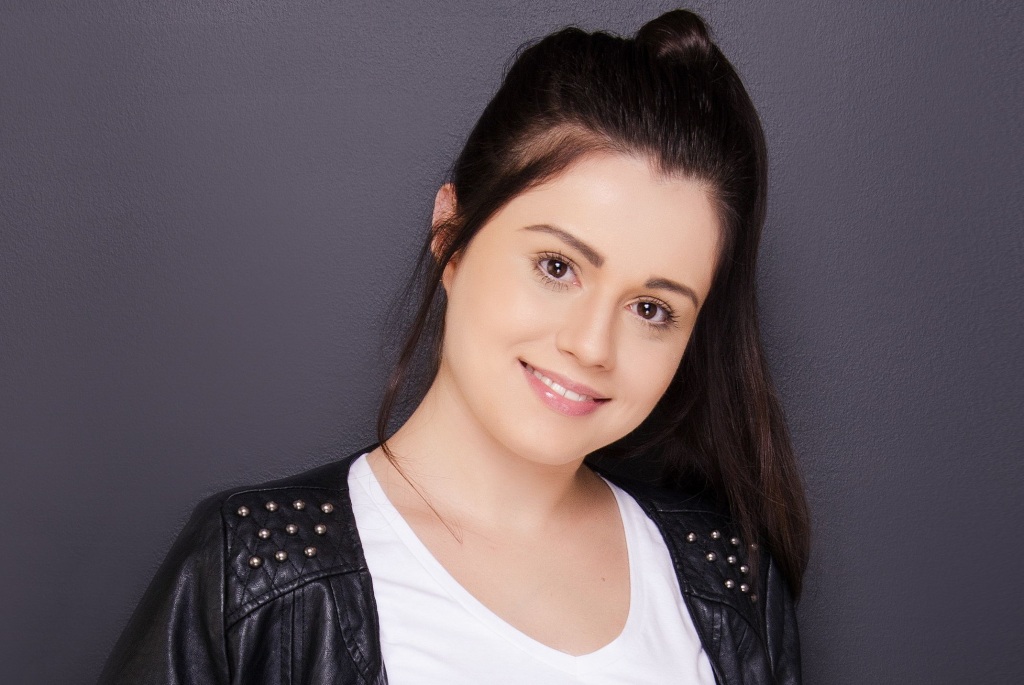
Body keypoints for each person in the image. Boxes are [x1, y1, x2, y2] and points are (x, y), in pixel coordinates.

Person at [101, 8, 809, 684]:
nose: (592, 344)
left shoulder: (731, 581)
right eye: (556, 266)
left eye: (652, 309)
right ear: (452, 237)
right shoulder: (255, 574)